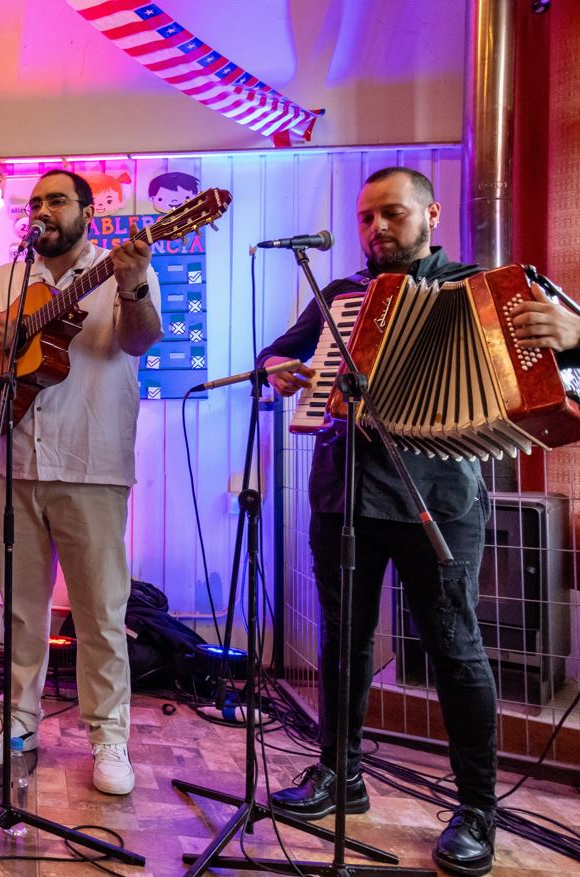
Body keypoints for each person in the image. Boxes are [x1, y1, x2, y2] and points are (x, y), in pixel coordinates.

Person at [255, 166, 580, 876]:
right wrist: (277, 365)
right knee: (343, 642)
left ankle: (477, 809)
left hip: (440, 501)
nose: (376, 229)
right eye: (366, 217)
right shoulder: (341, 295)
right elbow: (275, 353)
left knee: (455, 648)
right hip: (343, 495)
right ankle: (340, 773)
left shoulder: (488, 289)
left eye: (392, 214)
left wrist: (578, 333)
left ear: (431, 215)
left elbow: (570, 372)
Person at [0, 169, 161, 795]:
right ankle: (18, 722)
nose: (42, 210)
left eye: (57, 200)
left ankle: (109, 736)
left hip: (92, 464)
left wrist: (134, 284)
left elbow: (140, 341)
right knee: (21, 610)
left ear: (88, 212)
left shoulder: (121, 268)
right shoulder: (4, 280)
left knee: (100, 613)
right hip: (15, 463)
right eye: (35, 202)